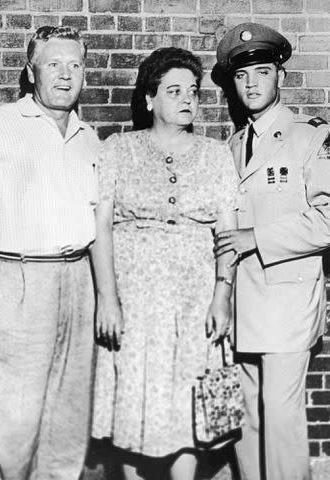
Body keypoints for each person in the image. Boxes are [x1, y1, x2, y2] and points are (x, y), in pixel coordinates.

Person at [90, 47, 239, 480]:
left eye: (192, 91)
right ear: (150, 98)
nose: (187, 99)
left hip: (195, 302)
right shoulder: (118, 149)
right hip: (136, 301)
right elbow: (101, 228)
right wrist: (107, 299)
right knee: (136, 400)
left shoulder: (215, 155)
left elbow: (227, 233)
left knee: (189, 406)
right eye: (174, 90)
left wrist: (223, 295)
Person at [0, 26, 100, 480]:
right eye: (53, 65)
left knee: (67, 425)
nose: (66, 76)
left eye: (75, 66)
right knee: (11, 427)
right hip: (15, 281)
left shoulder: (88, 137)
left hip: (78, 282)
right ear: (30, 71)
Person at [213, 22, 330, 480]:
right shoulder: (232, 145)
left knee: (281, 421)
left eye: (261, 72)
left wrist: (255, 238)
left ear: (279, 75)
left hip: (286, 300)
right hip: (242, 300)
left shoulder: (311, 138)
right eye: (242, 77)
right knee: (247, 420)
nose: (252, 84)